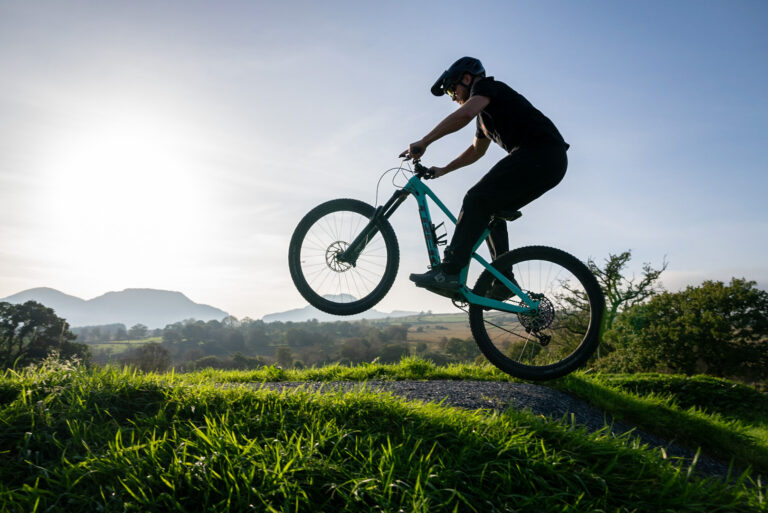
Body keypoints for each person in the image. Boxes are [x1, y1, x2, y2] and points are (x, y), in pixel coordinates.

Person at [402, 56, 569, 297]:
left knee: (476, 198)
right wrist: (443, 170)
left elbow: (464, 115)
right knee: (491, 213)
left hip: (541, 153)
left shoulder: (485, 87)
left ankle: (449, 271)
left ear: (467, 79)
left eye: (452, 88)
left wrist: (425, 141)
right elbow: (475, 152)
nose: (452, 97)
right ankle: (504, 282)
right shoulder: (484, 117)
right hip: (548, 162)